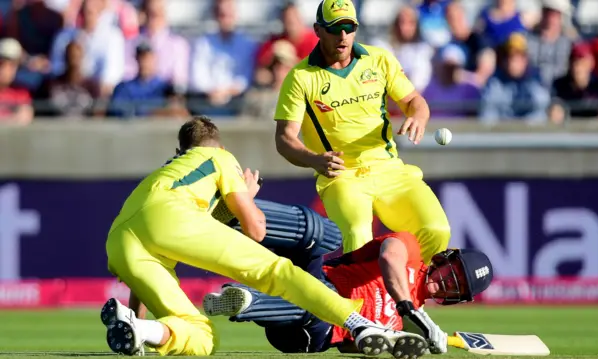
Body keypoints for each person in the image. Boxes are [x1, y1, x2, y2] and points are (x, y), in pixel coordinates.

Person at [99, 116, 428, 357]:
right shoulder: (221, 158)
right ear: (222, 146)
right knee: (279, 273)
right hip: (172, 221)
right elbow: (256, 229)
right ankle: (358, 322)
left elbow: (155, 231)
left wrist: (135, 316)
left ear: (179, 150)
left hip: (119, 239)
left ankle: (141, 330)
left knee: (199, 338)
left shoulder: (164, 173)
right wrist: (245, 196)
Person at [273, 0, 451, 281]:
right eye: (335, 28)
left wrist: (418, 116)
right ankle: (364, 318)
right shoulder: (300, 77)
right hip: (342, 175)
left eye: (349, 27)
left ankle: (403, 297)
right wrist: (314, 160)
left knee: (437, 231)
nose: (343, 36)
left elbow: (415, 101)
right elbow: (284, 139)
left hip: (388, 168)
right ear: (318, 30)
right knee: (357, 234)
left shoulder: (379, 59)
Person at [203, 218, 492, 355]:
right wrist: (409, 309)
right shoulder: (411, 250)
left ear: (457, 298)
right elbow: (390, 256)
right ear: (442, 259)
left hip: (316, 332)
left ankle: (248, 303)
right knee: (320, 234)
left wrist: (409, 346)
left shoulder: (411, 324)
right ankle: (236, 217)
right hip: (316, 278)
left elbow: (353, 347)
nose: (447, 282)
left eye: (457, 285)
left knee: (318, 306)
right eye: (451, 272)